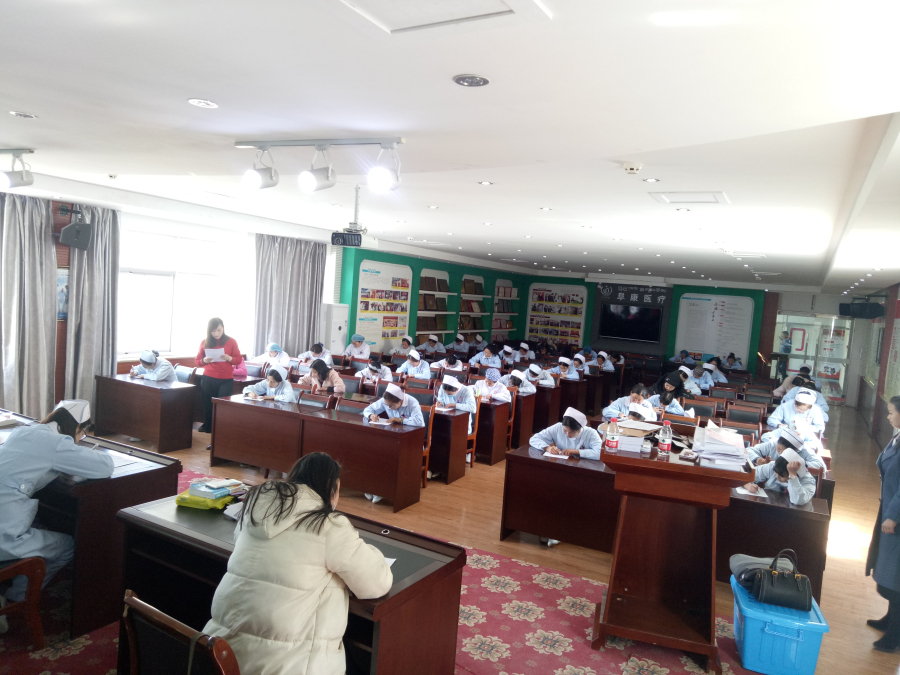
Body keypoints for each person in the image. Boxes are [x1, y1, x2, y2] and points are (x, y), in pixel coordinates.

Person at [203, 452, 392, 675]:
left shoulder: (252, 509)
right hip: (287, 665)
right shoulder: (327, 525)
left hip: (220, 654)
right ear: (330, 489)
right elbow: (376, 583)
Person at [0, 400, 114, 614]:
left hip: (5, 514)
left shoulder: (22, 432)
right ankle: (16, 599)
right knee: (67, 545)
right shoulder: (56, 442)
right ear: (78, 427)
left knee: (41, 524)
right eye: (83, 434)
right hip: (2, 531)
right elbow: (105, 466)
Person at [865, 395, 900, 652]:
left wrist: (893, 515)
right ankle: (890, 619)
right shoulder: (897, 437)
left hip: (896, 516)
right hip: (888, 508)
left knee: (897, 576)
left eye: (891, 412)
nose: (888, 416)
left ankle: (894, 636)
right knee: (889, 571)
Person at [363, 384, 425, 501]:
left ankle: (382, 489)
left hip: (411, 441)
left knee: (388, 456)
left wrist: (399, 419)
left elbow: (419, 422)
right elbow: (367, 409)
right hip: (392, 438)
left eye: (391, 406)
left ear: (400, 401)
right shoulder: (386, 401)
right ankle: (373, 487)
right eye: (387, 405)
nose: (389, 408)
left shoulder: (412, 403)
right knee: (374, 452)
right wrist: (371, 415)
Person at [195, 317, 243, 434]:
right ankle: (208, 426)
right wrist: (204, 360)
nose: (216, 333)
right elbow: (197, 361)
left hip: (225, 379)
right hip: (208, 377)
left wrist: (229, 358)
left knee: (223, 405)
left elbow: (238, 359)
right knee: (208, 403)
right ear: (209, 331)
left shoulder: (231, 341)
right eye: (213, 331)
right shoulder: (205, 342)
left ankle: (221, 429)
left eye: (219, 330)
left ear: (223, 328)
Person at [743, 455, 815, 506]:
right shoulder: (773, 466)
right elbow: (745, 475)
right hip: (768, 506)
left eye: (781, 475)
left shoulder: (808, 481)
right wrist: (748, 485)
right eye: (776, 473)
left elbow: (798, 500)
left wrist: (792, 475)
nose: (777, 477)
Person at [747, 428, 825, 470]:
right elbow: (748, 450)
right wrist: (757, 459)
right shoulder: (773, 444)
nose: (780, 453)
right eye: (779, 449)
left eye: (784, 452)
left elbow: (821, 466)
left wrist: (797, 464)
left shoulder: (804, 450)